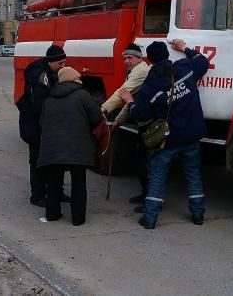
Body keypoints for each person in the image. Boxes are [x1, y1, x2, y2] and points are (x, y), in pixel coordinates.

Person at [118, 39, 209, 229]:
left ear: (149, 60)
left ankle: (149, 219)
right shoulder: (184, 68)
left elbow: (140, 114)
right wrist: (184, 48)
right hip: (192, 134)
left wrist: (130, 101)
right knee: (193, 176)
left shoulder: (151, 84)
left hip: (168, 140)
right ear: (168, 55)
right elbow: (202, 62)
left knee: (158, 178)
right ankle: (198, 215)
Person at [38, 67, 101, 226]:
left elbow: (42, 123)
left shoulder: (49, 98)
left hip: (52, 147)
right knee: (79, 182)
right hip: (77, 146)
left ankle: (52, 214)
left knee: (53, 182)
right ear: (73, 79)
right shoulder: (83, 95)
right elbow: (96, 117)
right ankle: (78, 219)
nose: (81, 80)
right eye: (78, 78)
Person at [100, 43, 151, 209]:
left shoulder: (140, 71)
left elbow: (122, 94)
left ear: (139, 58)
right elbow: (129, 100)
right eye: (124, 58)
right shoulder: (133, 71)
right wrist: (118, 120)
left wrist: (103, 108)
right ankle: (146, 195)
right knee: (141, 160)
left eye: (130, 57)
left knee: (145, 162)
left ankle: (149, 199)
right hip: (143, 119)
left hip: (149, 122)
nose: (127, 61)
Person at [17, 44, 68, 207]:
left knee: (54, 161)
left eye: (64, 62)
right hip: (36, 126)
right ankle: (38, 195)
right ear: (50, 62)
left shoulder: (50, 72)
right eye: (60, 63)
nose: (63, 66)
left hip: (45, 125)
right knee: (38, 161)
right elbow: (39, 106)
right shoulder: (40, 77)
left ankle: (56, 191)